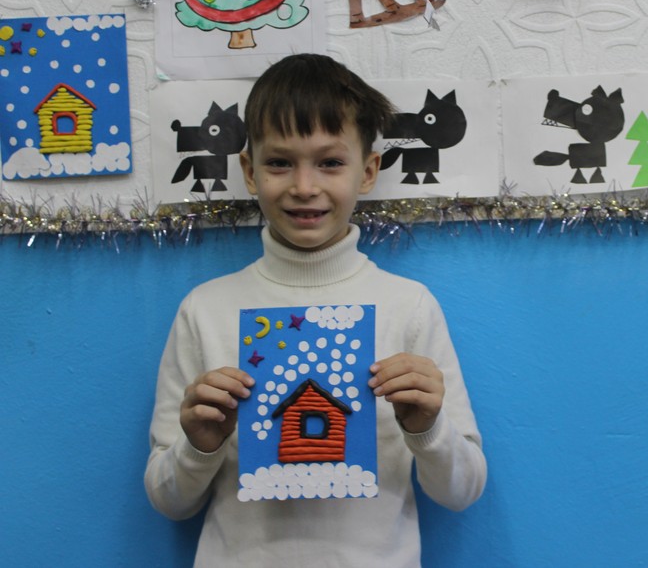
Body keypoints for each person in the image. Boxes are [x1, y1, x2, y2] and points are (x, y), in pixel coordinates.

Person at [144, 53, 486, 567]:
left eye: (330, 163)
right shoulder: (205, 310)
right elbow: (168, 500)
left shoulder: (409, 306)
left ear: (368, 171)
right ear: (249, 171)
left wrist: (427, 429)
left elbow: (463, 491)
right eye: (280, 163)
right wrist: (199, 445)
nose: (304, 187)